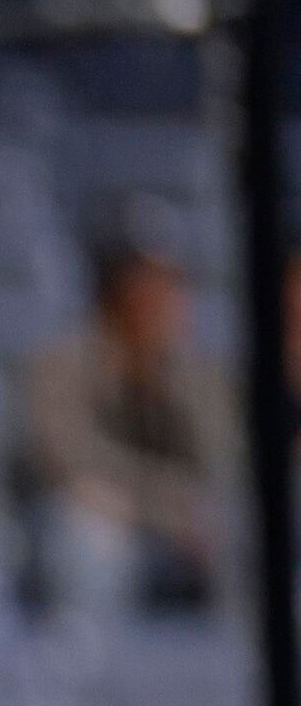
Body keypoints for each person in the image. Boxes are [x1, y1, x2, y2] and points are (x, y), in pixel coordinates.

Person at [23, 222, 231, 620]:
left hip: (183, 527)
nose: (164, 299)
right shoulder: (62, 363)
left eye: (170, 284)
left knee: (239, 529)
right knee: (90, 529)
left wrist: (167, 375)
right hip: (90, 527)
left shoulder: (187, 369)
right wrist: (168, 504)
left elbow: (221, 456)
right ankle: (94, 665)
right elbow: (71, 464)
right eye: (147, 283)